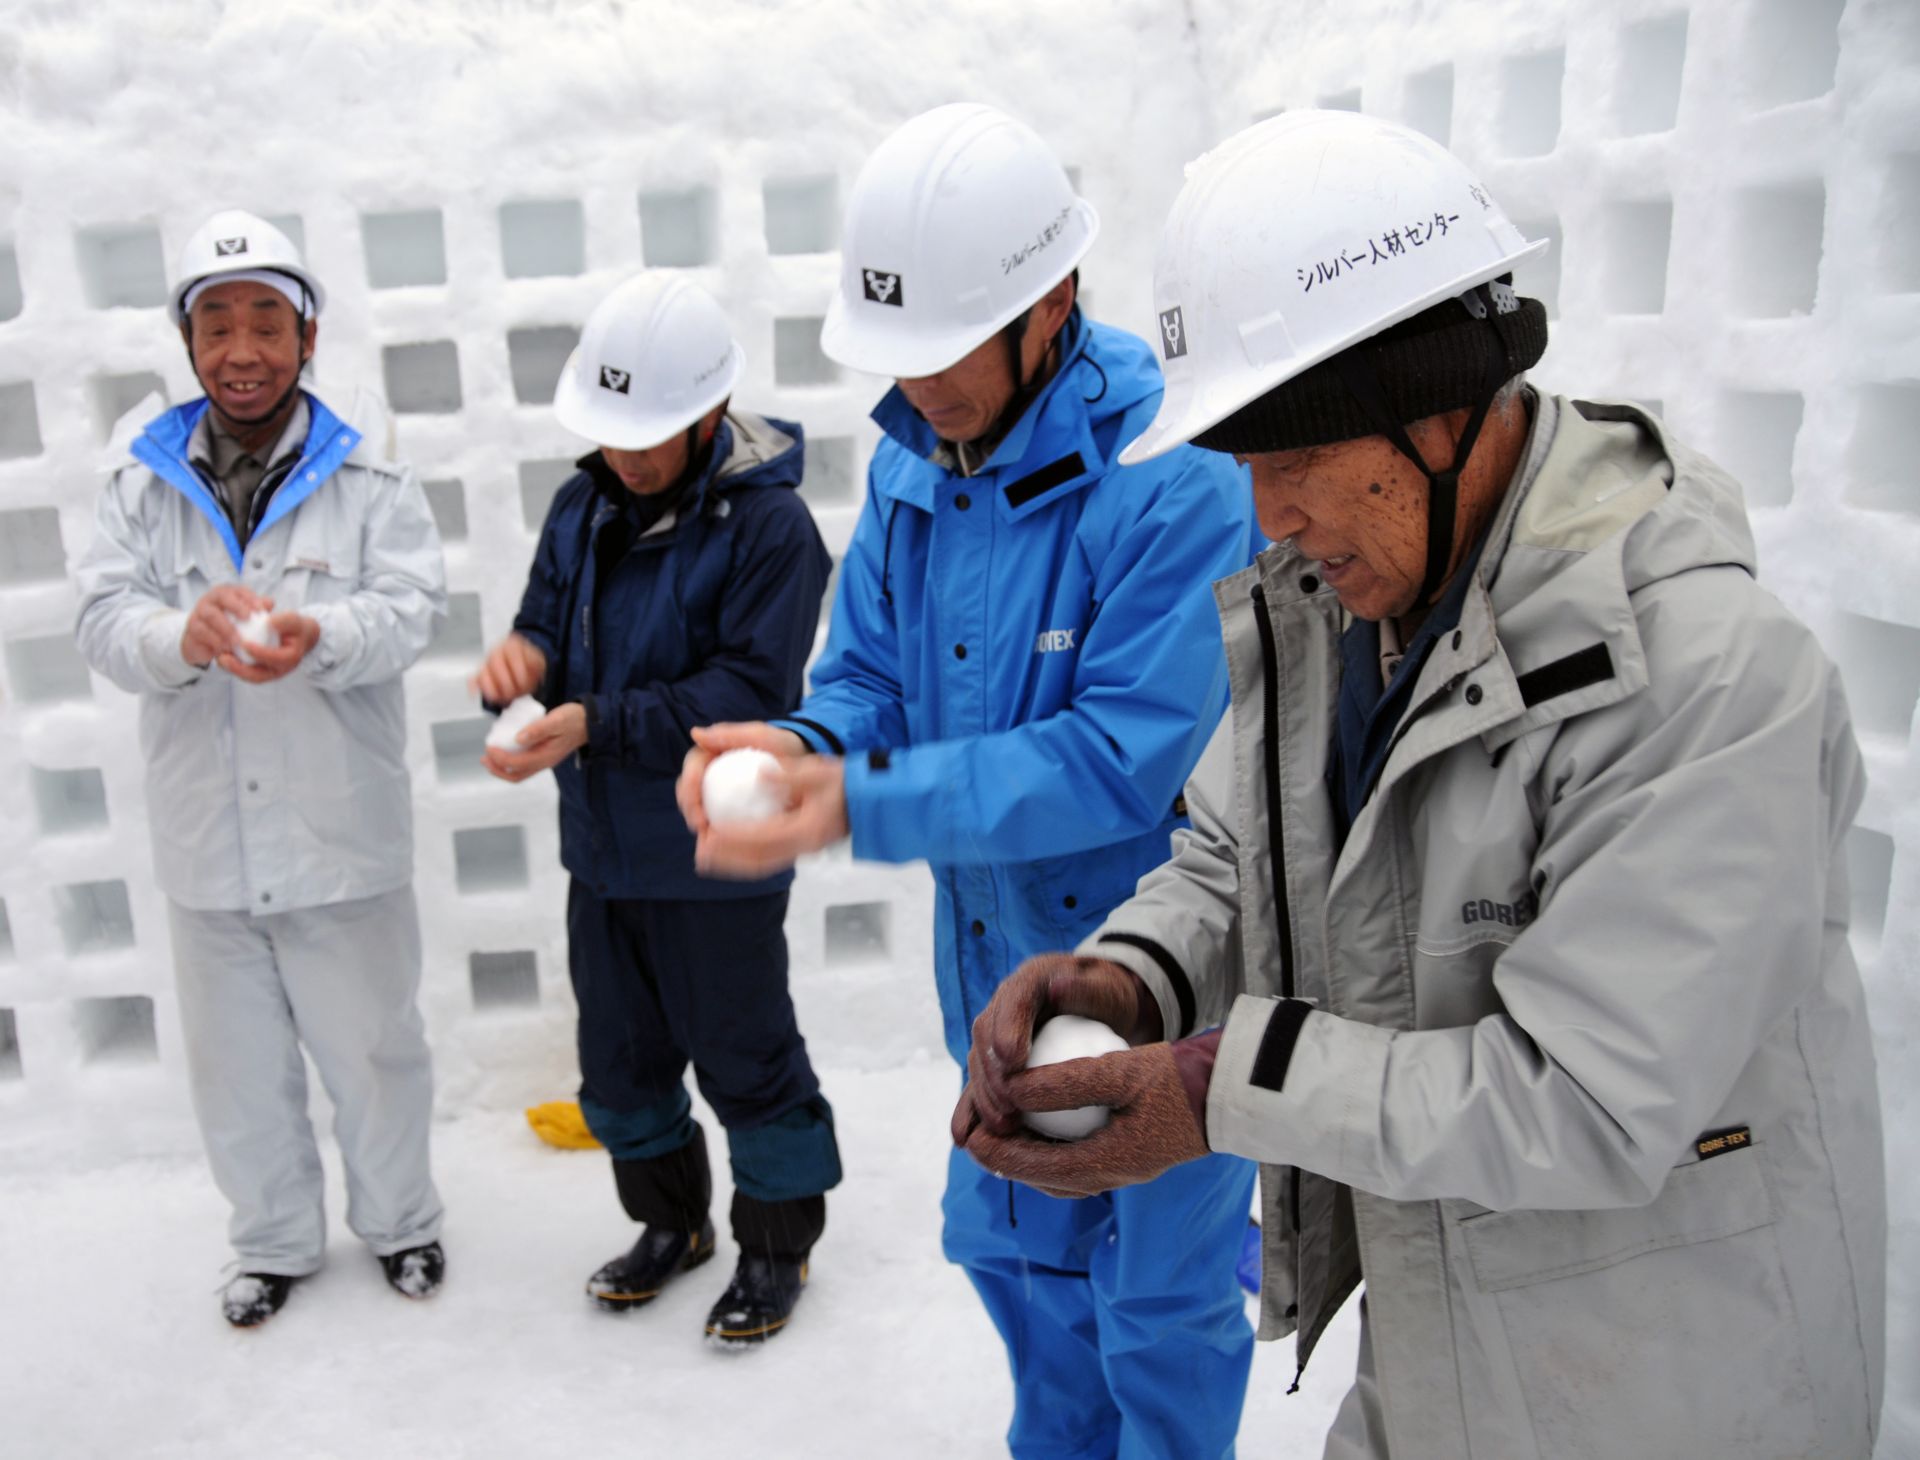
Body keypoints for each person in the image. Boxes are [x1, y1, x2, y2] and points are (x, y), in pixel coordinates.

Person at [955, 111, 1887, 1459]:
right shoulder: (1358, 607)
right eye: (1247, 466)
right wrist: (1129, 976)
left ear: (1438, 409)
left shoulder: (1707, 680)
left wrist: (1220, 1089)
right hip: (1442, 1352)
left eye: (1293, 461)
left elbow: (1587, 1098)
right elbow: (1235, 854)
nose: (1268, 518)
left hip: (1672, 1388)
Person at [681, 105, 1261, 1457]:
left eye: (943, 346)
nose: (919, 383)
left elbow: (1125, 757)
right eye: (894, 349)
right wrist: (808, 751)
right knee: (1021, 1274)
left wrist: (864, 801)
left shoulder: (1173, 470)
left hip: (1159, 981)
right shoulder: (907, 462)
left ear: (1050, 300)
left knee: (1160, 1305)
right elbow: (868, 677)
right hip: (990, 971)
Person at [73, 210, 449, 1327]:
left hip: (342, 827)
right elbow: (101, 615)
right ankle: (274, 1238)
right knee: (236, 1072)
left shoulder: (370, 457)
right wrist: (178, 637)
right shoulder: (141, 474)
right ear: (187, 343)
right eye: (218, 325)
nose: (243, 351)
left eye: (266, 323)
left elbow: (413, 604)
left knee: (377, 1051)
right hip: (208, 840)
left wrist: (318, 638)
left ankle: (403, 1223)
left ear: (309, 332)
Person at [472, 272, 838, 1347]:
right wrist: (524, 656)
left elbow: (752, 693)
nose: (627, 456)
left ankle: (778, 1241)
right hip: (604, 852)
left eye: (653, 433)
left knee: (746, 1056)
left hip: (716, 853)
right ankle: (672, 1225)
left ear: (712, 414)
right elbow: (546, 620)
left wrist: (598, 720)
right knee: (620, 1067)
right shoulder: (582, 506)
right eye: (612, 430)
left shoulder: (773, 530)